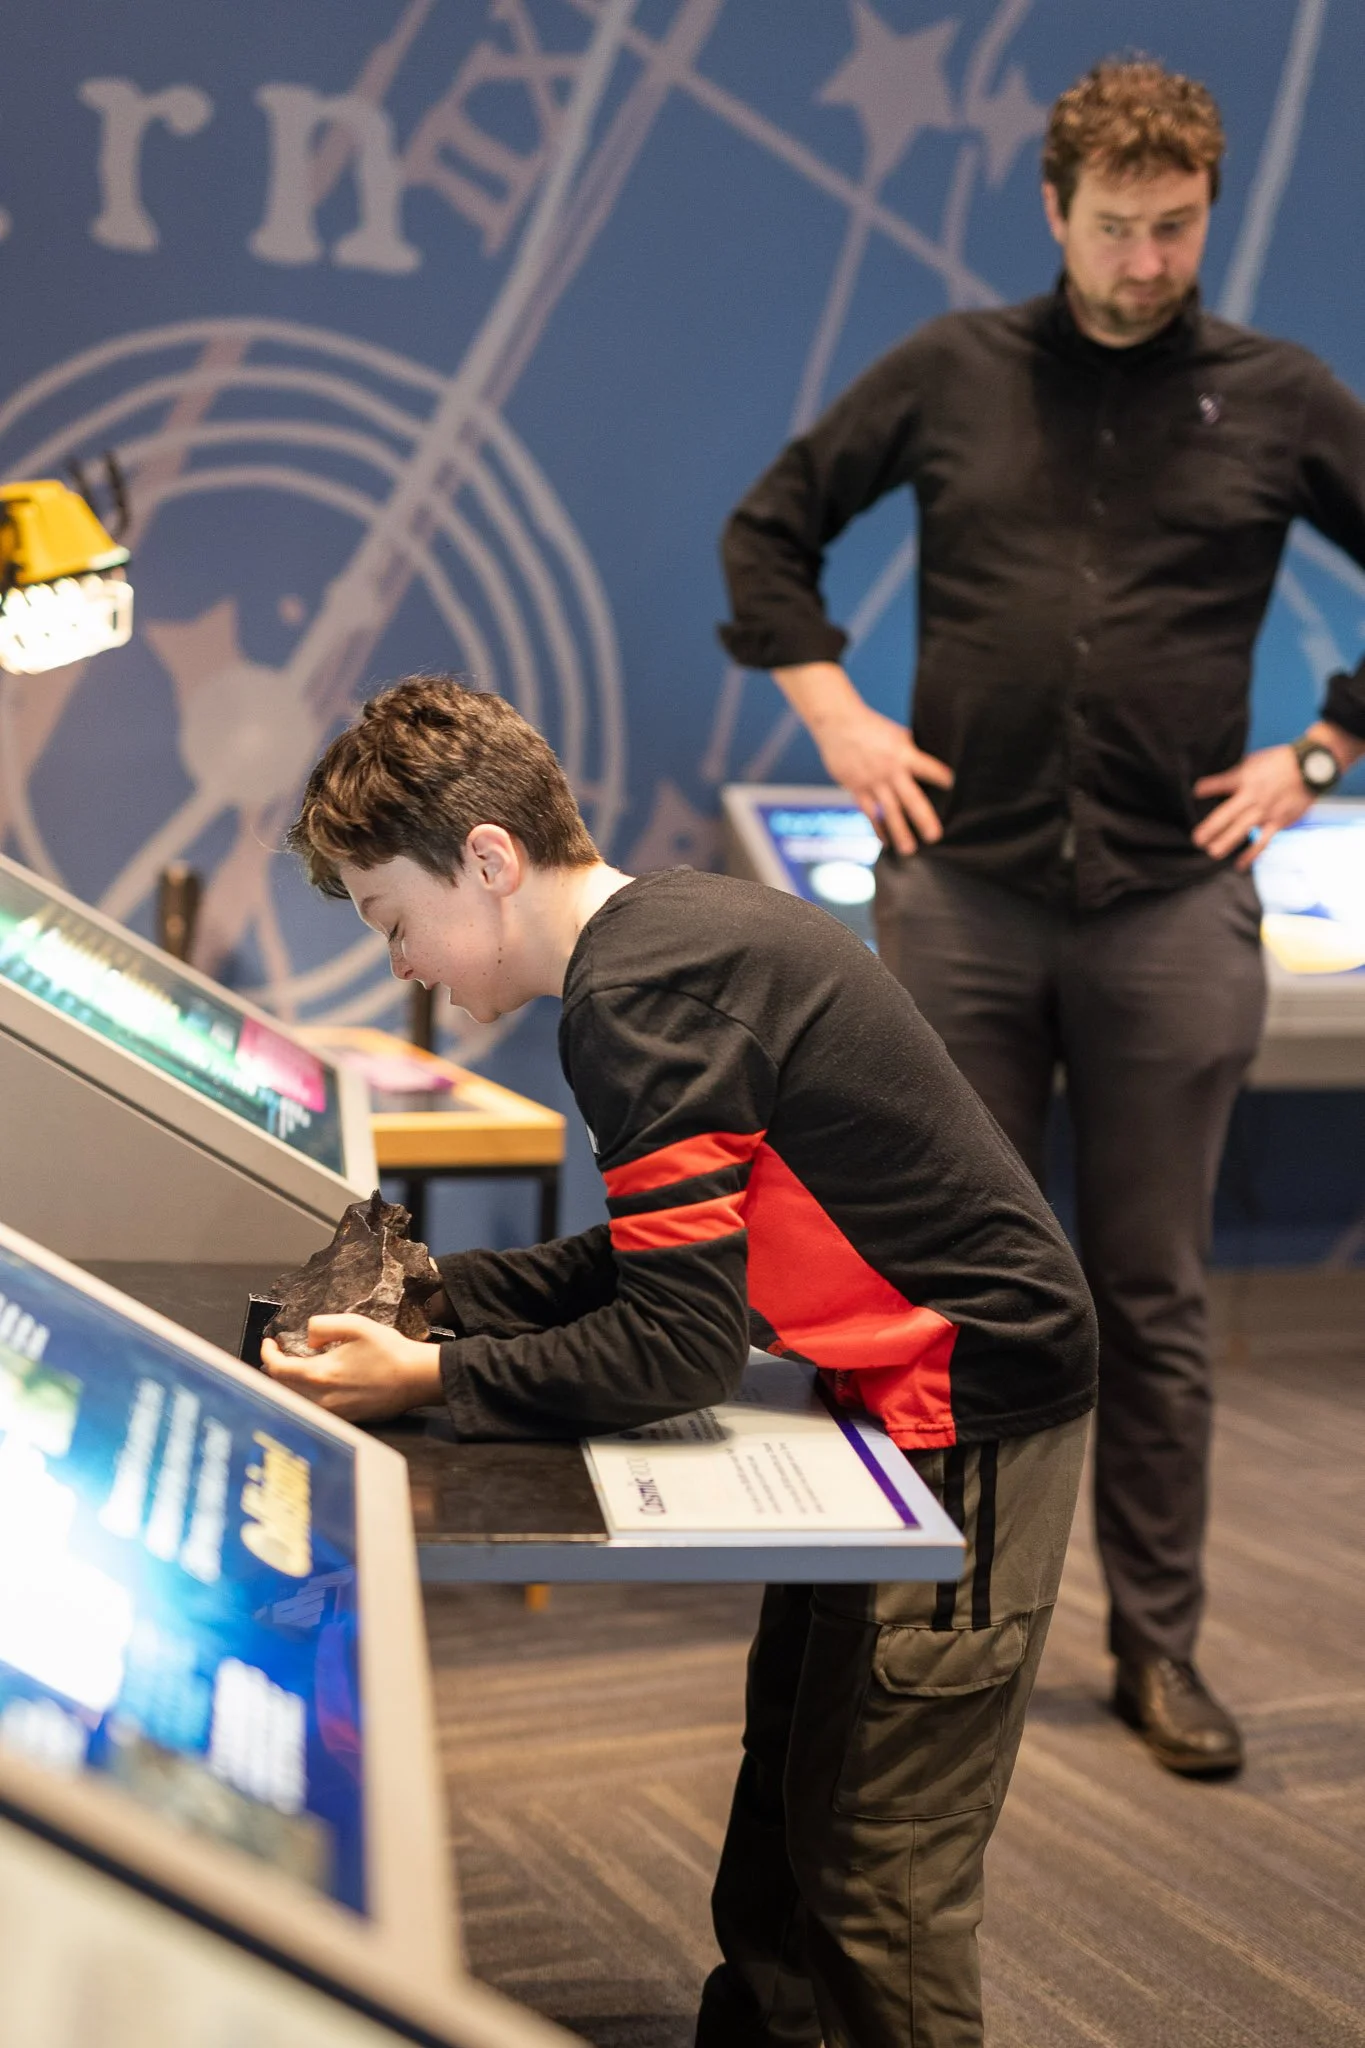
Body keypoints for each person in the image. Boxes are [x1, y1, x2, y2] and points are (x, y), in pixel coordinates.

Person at [264, 674, 1096, 2048]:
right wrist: (434, 1300)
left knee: (881, 1878)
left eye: (392, 919)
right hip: (882, 1399)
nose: (401, 960)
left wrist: (429, 1381)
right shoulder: (665, 938)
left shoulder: (637, 995)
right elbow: (645, 1260)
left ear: (486, 861)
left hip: (974, 1407)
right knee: (787, 1805)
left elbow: (680, 1346)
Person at [718, 56, 1365, 1780]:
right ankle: (922, 1629)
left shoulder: (1282, 394)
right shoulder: (950, 371)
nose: (1148, 263)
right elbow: (766, 539)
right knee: (940, 1289)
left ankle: (1159, 1650)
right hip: (964, 907)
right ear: (1053, 210)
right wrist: (842, 721)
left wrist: (1325, 746)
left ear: (1207, 213)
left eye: (1177, 229)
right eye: (1116, 228)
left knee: (1149, 1297)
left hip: (1170, 917)